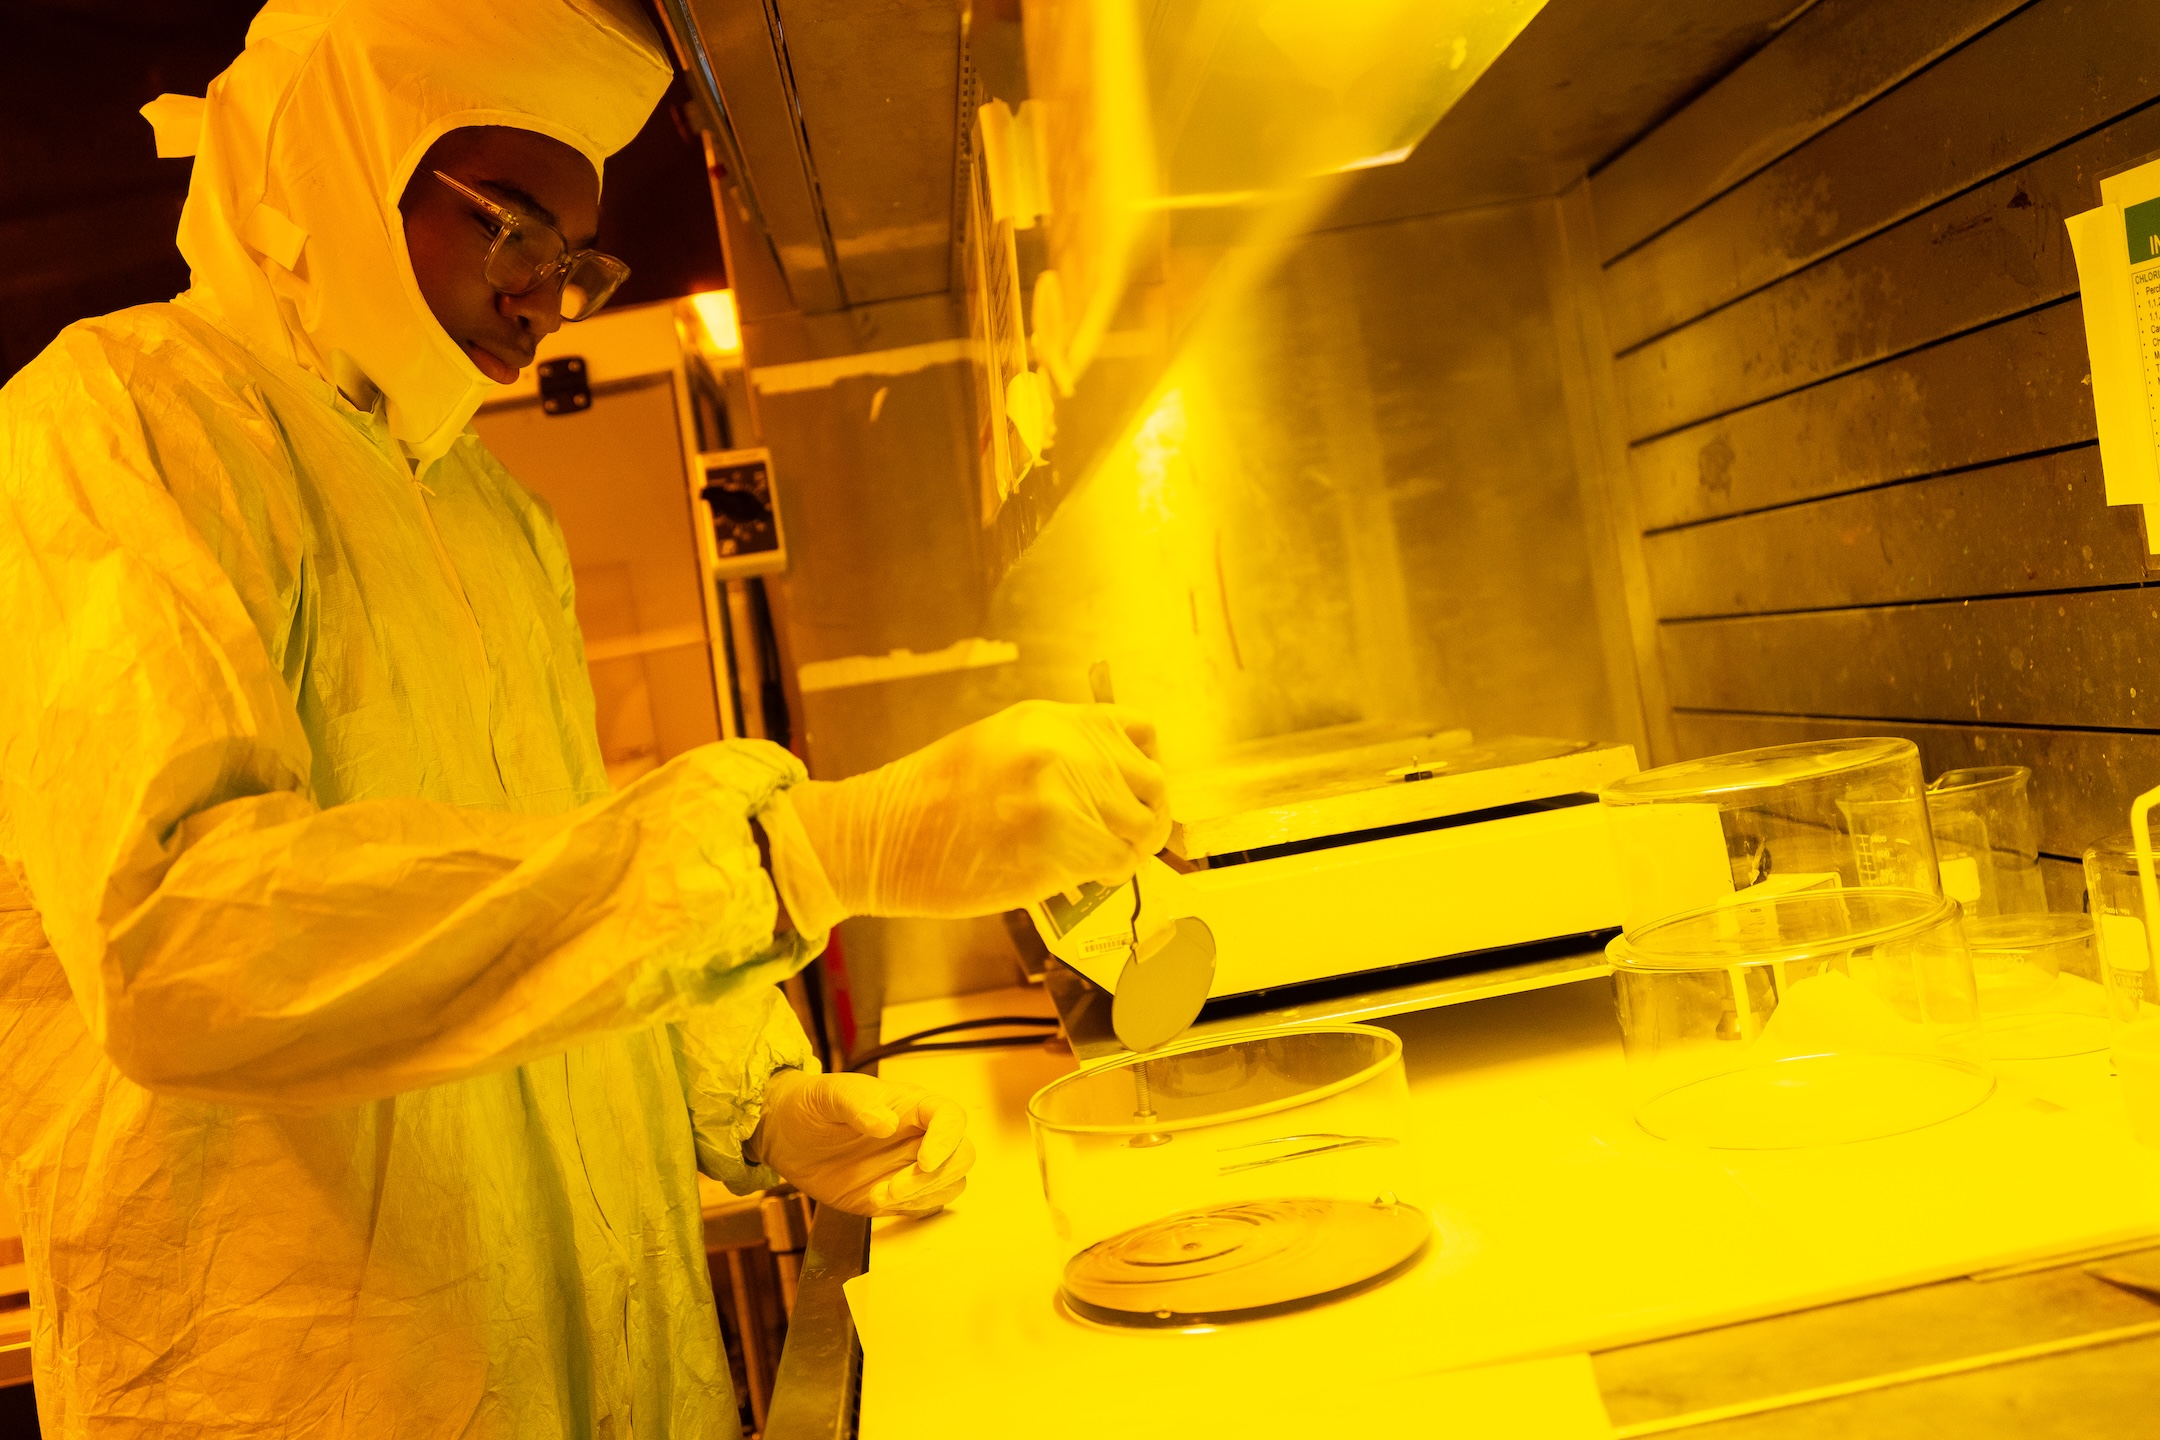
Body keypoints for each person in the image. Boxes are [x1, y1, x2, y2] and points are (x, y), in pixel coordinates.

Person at [0, 1, 1171, 1436]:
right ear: (325, 168)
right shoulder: (121, 424)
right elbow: (186, 943)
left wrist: (756, 1103)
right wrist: (810, 853)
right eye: (515, 231)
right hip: (314, 1381)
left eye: (576, 261)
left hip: (605, 1365)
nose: (550, 301)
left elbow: (526, 894)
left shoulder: (494, 518)